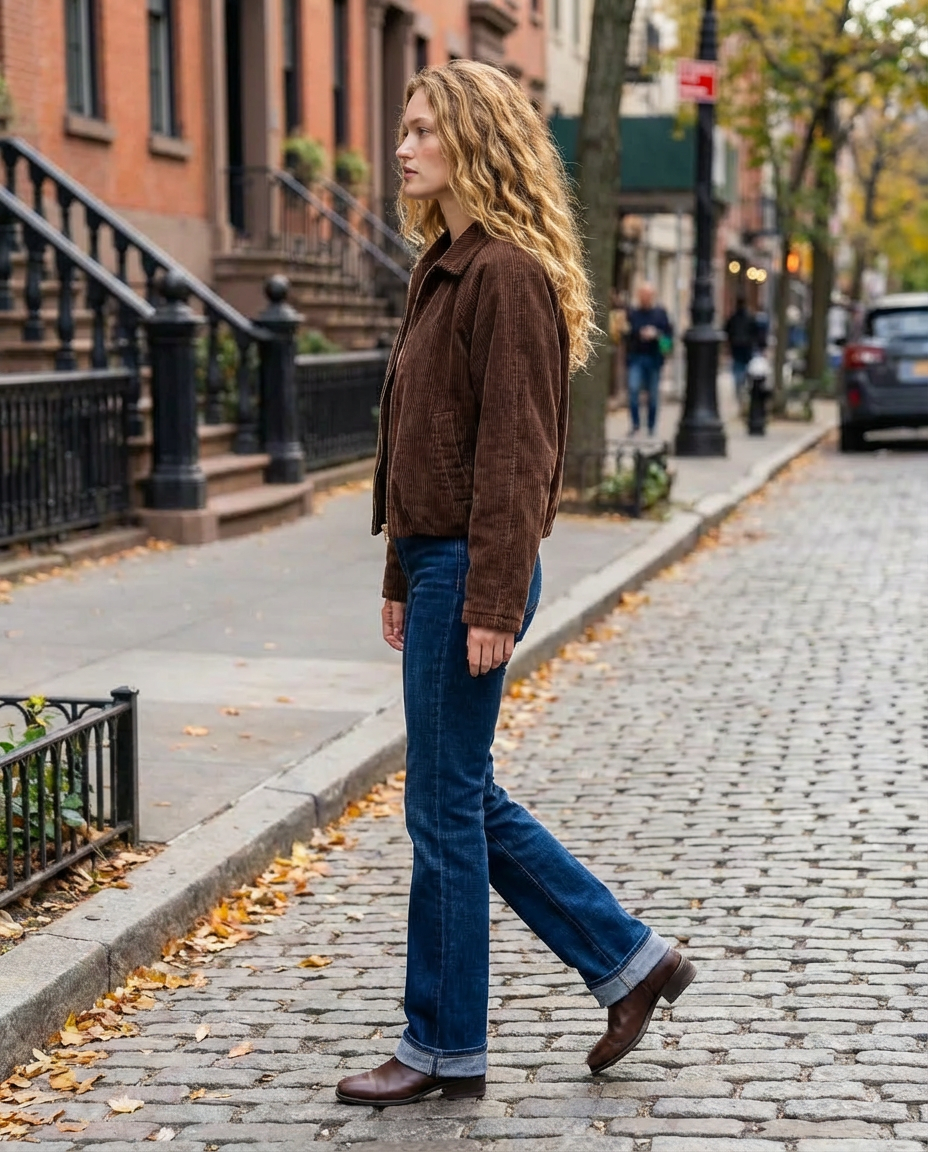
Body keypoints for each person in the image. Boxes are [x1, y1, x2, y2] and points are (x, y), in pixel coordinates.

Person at [334, 60, 696, 1110]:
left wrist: (489, 597)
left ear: (476, 142)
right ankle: (629, 960)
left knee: (442, 809)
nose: (402, 147)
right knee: (461, 797)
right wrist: (399, 567)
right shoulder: (443, 264)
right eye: (403, 128)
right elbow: (418, 438)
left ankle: (442, 1045)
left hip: (473, 566)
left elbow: (516, 454)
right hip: (438, 561)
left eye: (422, 130)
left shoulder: (506, 274)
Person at [626, 283, 673, 437]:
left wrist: (656, 335)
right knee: (633, 390)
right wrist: (638, 334)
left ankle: (651, 426)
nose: (644, 298)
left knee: (653, 395)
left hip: (654, 358)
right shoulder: (633, 313)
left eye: (647, 295)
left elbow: (668, 336)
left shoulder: (660, 314)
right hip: (636, 357)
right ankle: (635, 425)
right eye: (642, 295)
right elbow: (627, 334)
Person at [725, 296, 758, 402]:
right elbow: (755, 332)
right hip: (747, 347)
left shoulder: (733, 318)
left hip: (736, 346)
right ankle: (743, 384)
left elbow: (727, 331)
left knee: (737, 366)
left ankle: (739, 385)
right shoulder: (750, 318)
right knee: (745, 366)